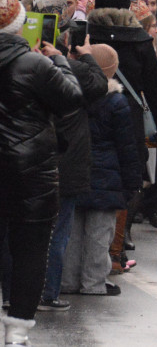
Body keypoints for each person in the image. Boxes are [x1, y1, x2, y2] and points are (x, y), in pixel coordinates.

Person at [0, 0, 84, 345]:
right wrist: (60, 60)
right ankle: (17, 330)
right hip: (30, 173)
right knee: (30, 250)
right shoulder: (34, 64)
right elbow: (73, 98)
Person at [86, 0, 157, 251]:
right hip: (130, 118)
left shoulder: (87, 34)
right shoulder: (140, 39)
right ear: (126, 6)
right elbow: (156, 89)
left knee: (93, 176)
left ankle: (91, 243)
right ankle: (120, 242)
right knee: (131, 177)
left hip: (89, 115)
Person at [61, 44, 141, 298]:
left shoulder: (69, 95)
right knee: (99, 235)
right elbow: (126, 146)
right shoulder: (116, 101)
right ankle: (94, 282)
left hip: (74, 170)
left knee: (71, 232)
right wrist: (131, 182)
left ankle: (68, 280)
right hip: (107, 176)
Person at [37, 34, 108, 312]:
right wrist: (85, 54)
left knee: (20, 231)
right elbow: (99, 83)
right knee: (57, 232)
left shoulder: (21, 68)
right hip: (64, 167)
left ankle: (14, 293)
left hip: (30, 162)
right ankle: (48, 293)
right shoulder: (70, 74)